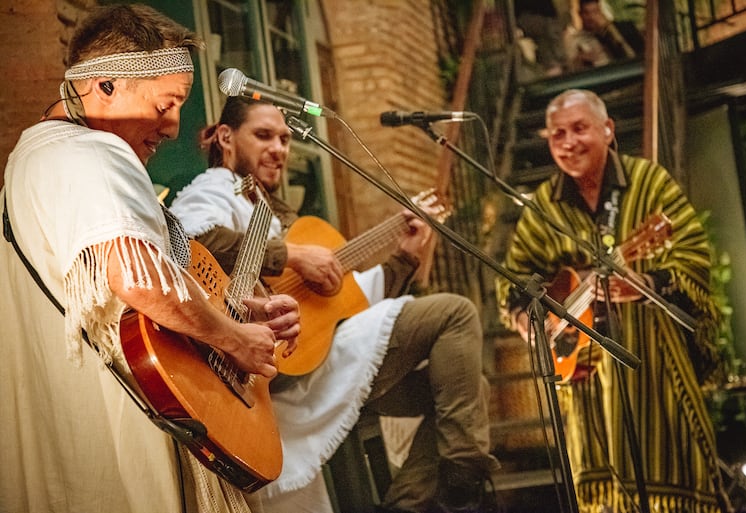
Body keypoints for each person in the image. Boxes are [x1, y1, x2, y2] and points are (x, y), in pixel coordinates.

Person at [0, 5, 299, 513]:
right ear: (107, 85)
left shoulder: (36, 158)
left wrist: (236, 313)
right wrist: (232, 339)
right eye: (166, 103)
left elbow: (129, 290)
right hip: (130, 435)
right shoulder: (93, 152)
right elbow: (137, 279)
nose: (174, 126)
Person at [169, 97, 499, 513]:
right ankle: (466, 478)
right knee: (454, 312)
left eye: (286, 139)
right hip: (274, 368)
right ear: (225, 137)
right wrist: (292, 257)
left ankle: (409, 505)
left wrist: (406, 258)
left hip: (323, 358)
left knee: (465, 391)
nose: (279, 149)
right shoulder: (211, 189)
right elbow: (195, 243)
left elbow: (348, 300)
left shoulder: (270, 210)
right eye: (264, 135)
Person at [496, 89, 730, 512]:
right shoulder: (544, 205)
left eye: (580, 129)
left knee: (673, 461)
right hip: (583, 373)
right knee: (602, 484)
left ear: (608, 129)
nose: (568, 142)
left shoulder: (649, 181)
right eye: (557, 135)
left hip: (652, 360)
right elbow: (516, 275)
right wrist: (526, 318)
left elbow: (693, 254)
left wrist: (648, 281)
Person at [569, 0, 645, 70]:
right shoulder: (577, 39)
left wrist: (609, 30)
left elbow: (630, 53)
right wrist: (580, 60)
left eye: (595, 12)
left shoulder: (623, 28)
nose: (591, 17)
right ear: (580, 15)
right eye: (587, 13)